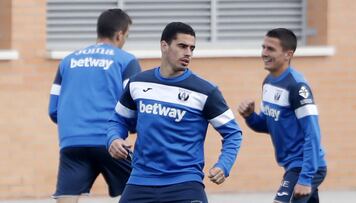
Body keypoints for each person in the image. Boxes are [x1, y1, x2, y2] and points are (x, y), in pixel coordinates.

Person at [107, 22, 242, 203]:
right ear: (164, 45)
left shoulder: (205, 91)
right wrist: (114, 139)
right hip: (140, 181)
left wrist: (223, 165)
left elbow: (233, 133)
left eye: (192, 48)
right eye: (182, 46)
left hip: (185, 183)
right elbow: (118, 120)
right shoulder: (138, 83)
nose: (188, 53)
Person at [48, 8, 141, 203]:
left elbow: (53, 110)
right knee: (143, 191)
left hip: (72, 142)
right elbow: (135, 105)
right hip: (111, 142)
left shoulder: (68, 61)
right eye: (127, 35)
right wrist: (131, 128)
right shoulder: (126, 60)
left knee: (66, 198)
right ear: (119, 34)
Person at [238, 28, 327, 203]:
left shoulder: (297, 86)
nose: (264, 53)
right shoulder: (268, 82)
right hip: (292, 166)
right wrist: (250, 116)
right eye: (263, 47)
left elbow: (313, 133)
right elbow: (268, 125)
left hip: (305, 166)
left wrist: (305, 178)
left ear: (288, 54)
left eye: (270, 49)